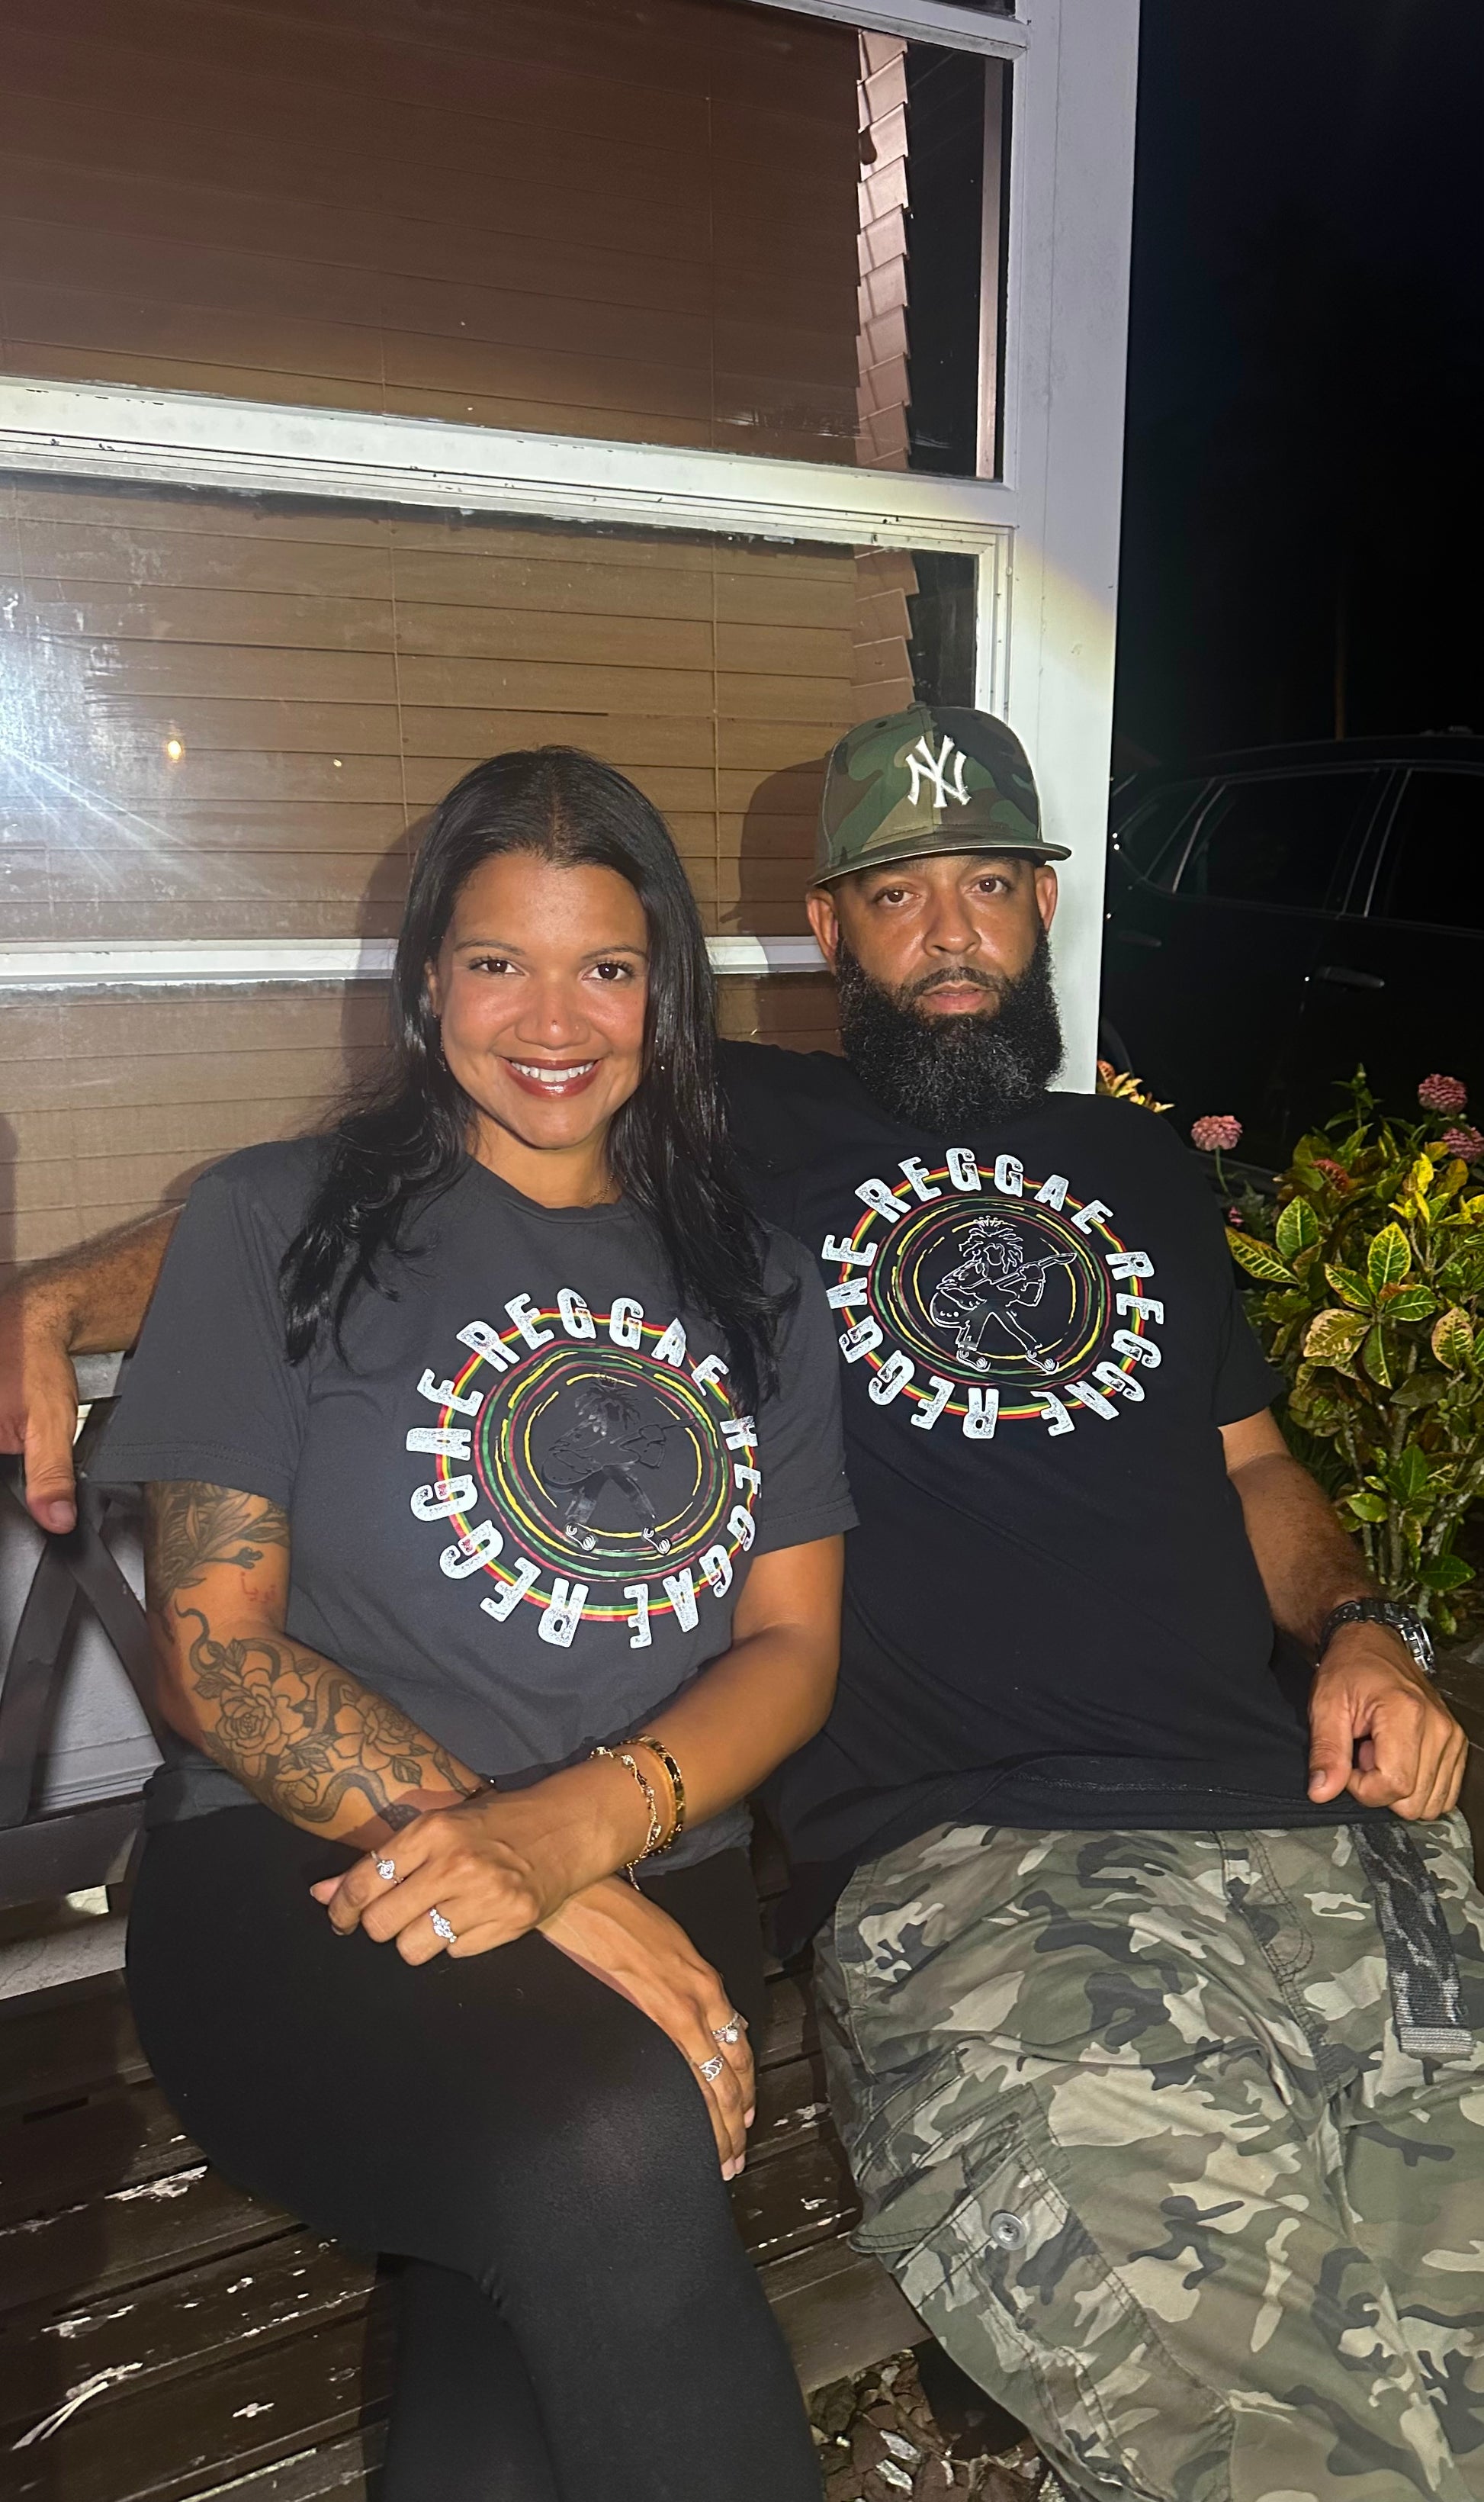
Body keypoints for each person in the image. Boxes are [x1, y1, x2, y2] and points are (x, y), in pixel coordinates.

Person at [5, 703, 1482, 2498]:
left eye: (990, 882)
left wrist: (1360, 1624)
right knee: (614, 2162)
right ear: (825, 924)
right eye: (899, 890)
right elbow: (310, 1262)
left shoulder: (901, 1227)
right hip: (807, 1861)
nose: (950, 930)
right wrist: (54, 1293)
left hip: (1109, 1822)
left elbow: (1183, 1490)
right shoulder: (666, 1145)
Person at [20, 749, 855, 2502]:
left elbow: (792, 1646)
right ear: (425, 979)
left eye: (605, 966)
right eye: (497, 962)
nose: (553, 1019)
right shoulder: (276, 1225)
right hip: (309, 1874)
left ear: (664, 991)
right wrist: (513, 1854)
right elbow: (215, 1654)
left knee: (537, 2296)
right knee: (604, 2141)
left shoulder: (759, 1278)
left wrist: (573, 1836)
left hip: (659, 1868)